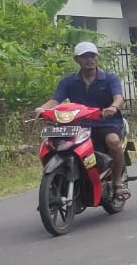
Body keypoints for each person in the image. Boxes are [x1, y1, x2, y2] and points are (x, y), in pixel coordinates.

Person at [41, 41, 128, 198]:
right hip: (78, 125)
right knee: (53, 146)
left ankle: (117, 183)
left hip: (105, 122)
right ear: (77, 60)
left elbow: (119, 97)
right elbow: (54, 101)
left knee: (114, 142)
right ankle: (56, 184)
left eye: (92, 56)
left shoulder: (109, 78)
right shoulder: (68, 81)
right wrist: (42, 109)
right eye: (84, 56)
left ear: (97, 58)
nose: (89, 60)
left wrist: (113, 107)